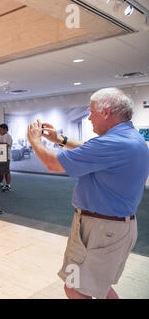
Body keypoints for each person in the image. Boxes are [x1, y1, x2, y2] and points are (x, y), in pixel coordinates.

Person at [26, 87, 148, 299]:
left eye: (91, 111)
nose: (89, 117)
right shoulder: (129, 138)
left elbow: (53, 163)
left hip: (102, 230)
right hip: (112, 226)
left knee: (74, 288)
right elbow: (89, 147)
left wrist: (35, 140)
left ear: (106, 112)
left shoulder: (113, 143)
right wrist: (60, 140)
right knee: (100, 288)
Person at [0, 123, 13, 191]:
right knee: (0, 171)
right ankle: (0, 184)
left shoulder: (8, 136)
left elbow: (5, 145)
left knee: (6, 171)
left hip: (6, 156)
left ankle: (8, 185)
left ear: (5, 129)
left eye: (1, 129)